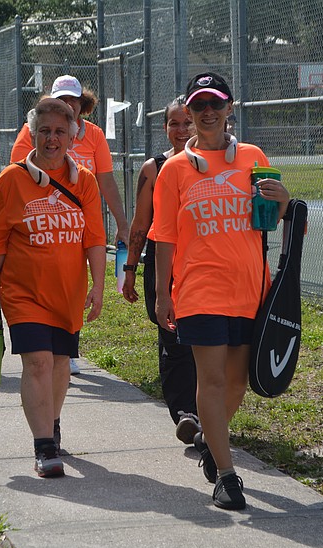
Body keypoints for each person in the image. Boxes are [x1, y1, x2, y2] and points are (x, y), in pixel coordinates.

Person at [153, 72, 290, 510]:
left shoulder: (252, 156)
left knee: (236, 382)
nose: (207, 112)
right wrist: (162, 293)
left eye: (215, 103)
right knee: (210, 379)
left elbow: (268, 217)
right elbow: (166, 236)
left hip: (250, 287)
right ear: (189, 113)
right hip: (199, 289)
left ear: (230, 108)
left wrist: (283, 200)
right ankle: (228, 478)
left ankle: (212, 445)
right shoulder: (174, 170)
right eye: (198, 105)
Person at [0, 98, 107, 478]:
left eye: (60, 132)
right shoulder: (12, 179)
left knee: (60, 364)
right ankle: (44, 446)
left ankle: (51, 422)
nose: (53, 139)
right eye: (45, 131)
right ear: (33, 134)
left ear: (72, 136)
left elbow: (95, 239)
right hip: (23, 293)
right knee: (38, 362)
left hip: (66, 293)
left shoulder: (83, 181)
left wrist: (98, 287)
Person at [11, 74, 129, 376]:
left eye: (72, 100)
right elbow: (16, 174)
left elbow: (106, 181)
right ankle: (48, 344)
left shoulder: (95, 136)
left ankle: (66, 345)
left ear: (82, 104)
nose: (67, 105)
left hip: (78, 221)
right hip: (41, 222)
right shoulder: (31, 131)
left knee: (72, 280)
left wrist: (122, 222)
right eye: (60, 99)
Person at [121, 96, 200, 445]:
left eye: (187, 122)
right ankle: (186, 412)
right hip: (162, 262)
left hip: (202, 262)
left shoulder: (213, 164)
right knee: (171, 336)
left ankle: (201, 409)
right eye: (174, 124)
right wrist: (130, 269)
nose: (181, 130)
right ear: (165, 127)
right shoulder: (153, 169)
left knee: (204, 335)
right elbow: (140, 225)